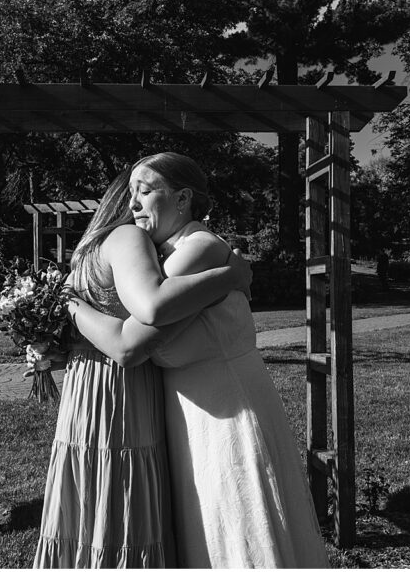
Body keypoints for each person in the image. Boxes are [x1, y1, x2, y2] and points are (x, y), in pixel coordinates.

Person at [68, 152, 329, 568]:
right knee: (207, 529)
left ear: (183, 198)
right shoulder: (171, 250)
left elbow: (131, 340)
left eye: (145, 192)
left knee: (238, 526)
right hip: (191, 407)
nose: (131, 205)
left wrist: (70, 307)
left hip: (227, 408)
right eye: (131, 192)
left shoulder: (201, 247)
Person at [33, 168, 252, 568]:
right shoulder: (129, 237)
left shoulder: (86, 249)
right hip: (121, 389)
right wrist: (231, 275)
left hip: (83, 384)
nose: (139, 206)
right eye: (137, 194)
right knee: (120, 496)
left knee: (86, 495)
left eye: (146, 193)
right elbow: (133, 338)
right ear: (124, 200)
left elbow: (81, 326)